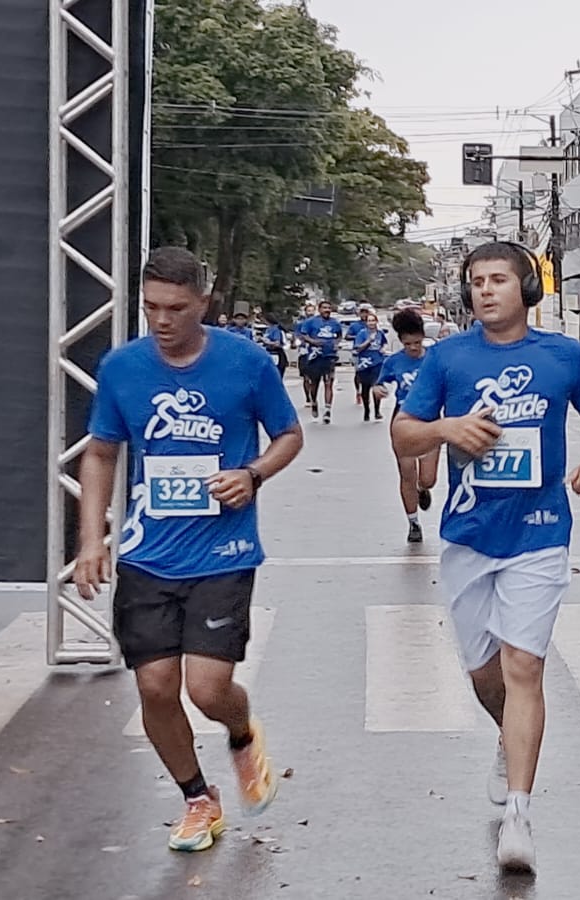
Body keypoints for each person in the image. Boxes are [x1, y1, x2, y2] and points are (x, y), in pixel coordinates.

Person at [391, 241, 580, 874]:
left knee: (524, 666)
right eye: (476, 281)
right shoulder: (446, 358)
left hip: (541, 534)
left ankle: (518, 812)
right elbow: (404, 432)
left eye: (498, 279)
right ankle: (506, 735)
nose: (486, 290)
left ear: (527, 289)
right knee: (486, 676)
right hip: (467, 533)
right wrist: (446, 429)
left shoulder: (563, 355)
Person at [73, 247, 304, 851]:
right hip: (147, 554)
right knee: (154, 687)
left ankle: (240, 731)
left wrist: (252, 474)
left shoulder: (245, 363)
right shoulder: (123, 368)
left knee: (206, 688)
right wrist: (91, 537)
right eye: (151, 307)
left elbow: (288, 434)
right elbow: (100, 453)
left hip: (223, 553)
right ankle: (198, 799)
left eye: (176, 308)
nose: (162, 320)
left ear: (204, 302)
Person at [375, 309, 438, 543]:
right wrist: (378, 391)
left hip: (430, 420)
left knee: (428, 477)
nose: (413, 348)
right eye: (408, 343)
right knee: (406, 473)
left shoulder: (435, 357)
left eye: (417, 342)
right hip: (403, 420)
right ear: (401, 341)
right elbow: (380, 384)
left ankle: (424, 488)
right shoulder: (393, 362)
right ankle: (413, 522)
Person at [295, 299, 343, 424]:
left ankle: (327, 410)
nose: (327, 310)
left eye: (329, 308)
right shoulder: (311, 322)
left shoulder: (335, 323)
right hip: (314, 356)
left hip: (329, 356)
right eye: (324, 308)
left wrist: (336, 344)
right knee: (314, 384)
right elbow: (303, 335)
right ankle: (314, 402)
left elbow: (339, 335)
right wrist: (313, 342)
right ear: (319, 309)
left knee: (328, 382)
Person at [353, 310, 388, 422]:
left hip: (377, 363)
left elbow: (384, 343)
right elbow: (358, 348)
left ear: (376, 321)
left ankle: (377, 411)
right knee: (365, 388)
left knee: (377, 387)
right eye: (369, 321)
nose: (371, 323)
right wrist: (368, 341)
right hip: (364, 363)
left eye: (373, 321)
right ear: (366, 323)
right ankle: (367, 410)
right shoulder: (362, 333)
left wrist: (383, 349)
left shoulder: (380, 333)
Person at [261, 313, 289, 378]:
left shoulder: (276, 329)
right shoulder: (268, 329)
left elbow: (277, 343)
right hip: (269, 353)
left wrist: (267, 342)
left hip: (276, 354)